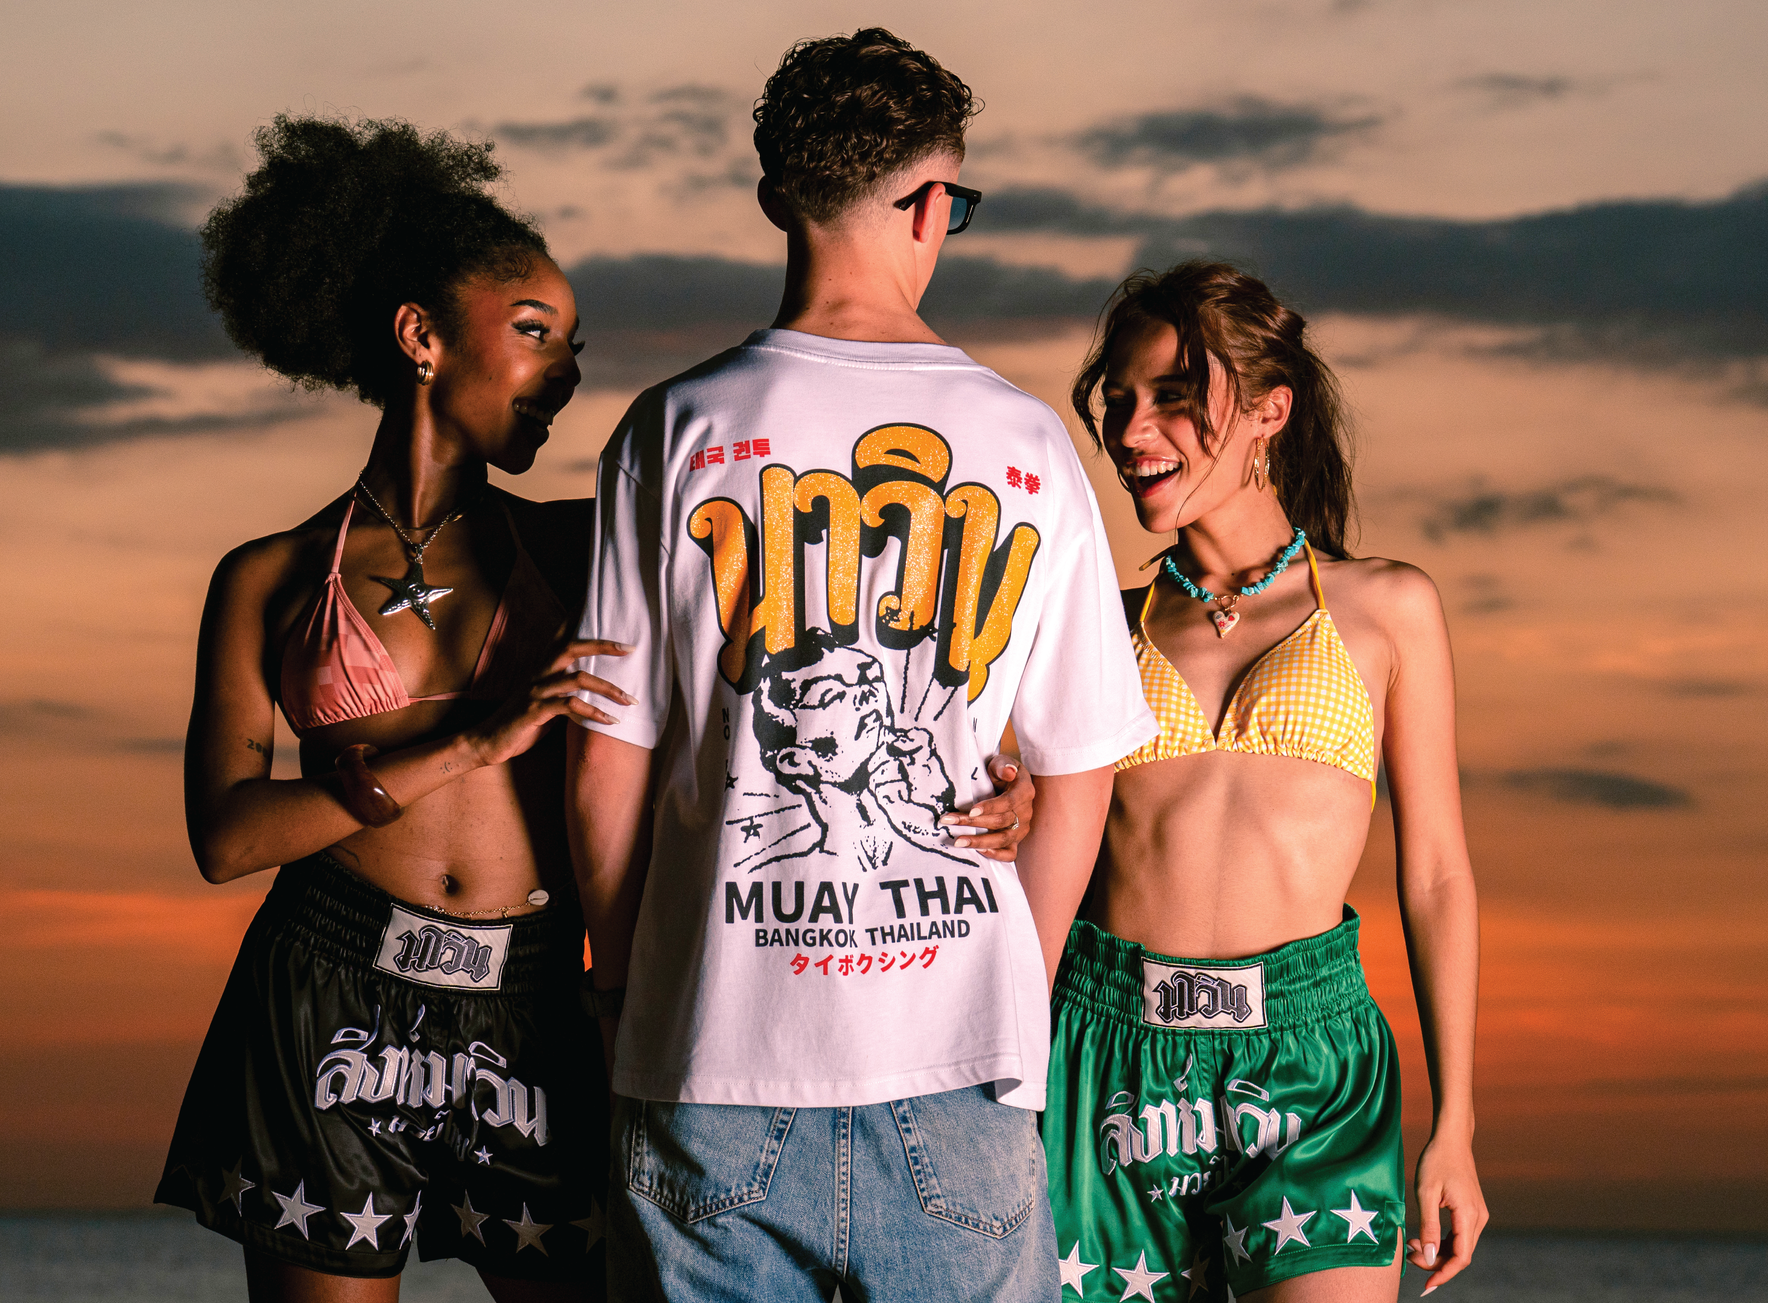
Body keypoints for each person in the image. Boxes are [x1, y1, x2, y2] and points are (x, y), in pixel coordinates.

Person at [147, 113, 1046, 1303]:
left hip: (532, 997)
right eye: (533, 333)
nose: (565, 372)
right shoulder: (267, 575)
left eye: (574, 347)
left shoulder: (591, 538)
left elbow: (811, 634)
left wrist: (997, 765)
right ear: (421, 336)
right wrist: (468, 742)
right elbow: (225, 837)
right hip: (328, 992)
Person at [564, 29, 1158, 1303]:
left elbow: (605, 765)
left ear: (778, 196)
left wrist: (622, 993)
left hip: (710, 1058)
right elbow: (1082, 771)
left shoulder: (671, 431)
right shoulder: (1026, 441)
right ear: (932, 205)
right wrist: (1011, 989)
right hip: (960, 1071)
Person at [1041, 261, 1488, 1301]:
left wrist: (1455, 1124)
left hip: (1311, 1062)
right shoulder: (1099, 625)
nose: (1131, 430)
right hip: (1106, 1052)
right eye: (1119, 400)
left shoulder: (1387, 608)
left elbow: (1436, 876)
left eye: (1172, 396)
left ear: (1269, 412)